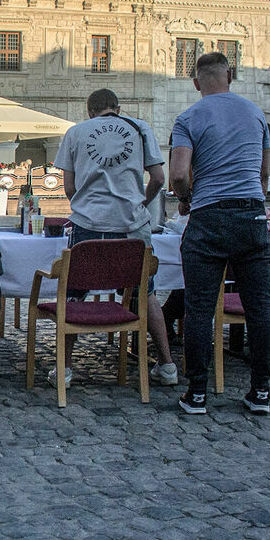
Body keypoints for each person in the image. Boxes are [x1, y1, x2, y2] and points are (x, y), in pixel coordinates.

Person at [170, 51, 270, 416]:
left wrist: (186, 199)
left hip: (209, 216)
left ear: (196, 82)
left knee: (198, 308)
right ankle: (260, 391)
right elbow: (263, 175)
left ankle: (197, 394)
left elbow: (179, 175)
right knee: (260, 308)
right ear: (230, 75)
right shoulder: (256, 113)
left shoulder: (188, 117)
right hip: (251, 215)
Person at [53, 88, 176, 389]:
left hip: (89, 222)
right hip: (132, 224)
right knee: (146, 294)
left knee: (74, 294)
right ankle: (168, 365)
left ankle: (64, 370)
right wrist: (140, 203)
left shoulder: (76, 132)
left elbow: (69, 186)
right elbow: (159, 179)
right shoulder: (140, 127)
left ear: (90, 110)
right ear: (117, 109)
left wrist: (84, 203)